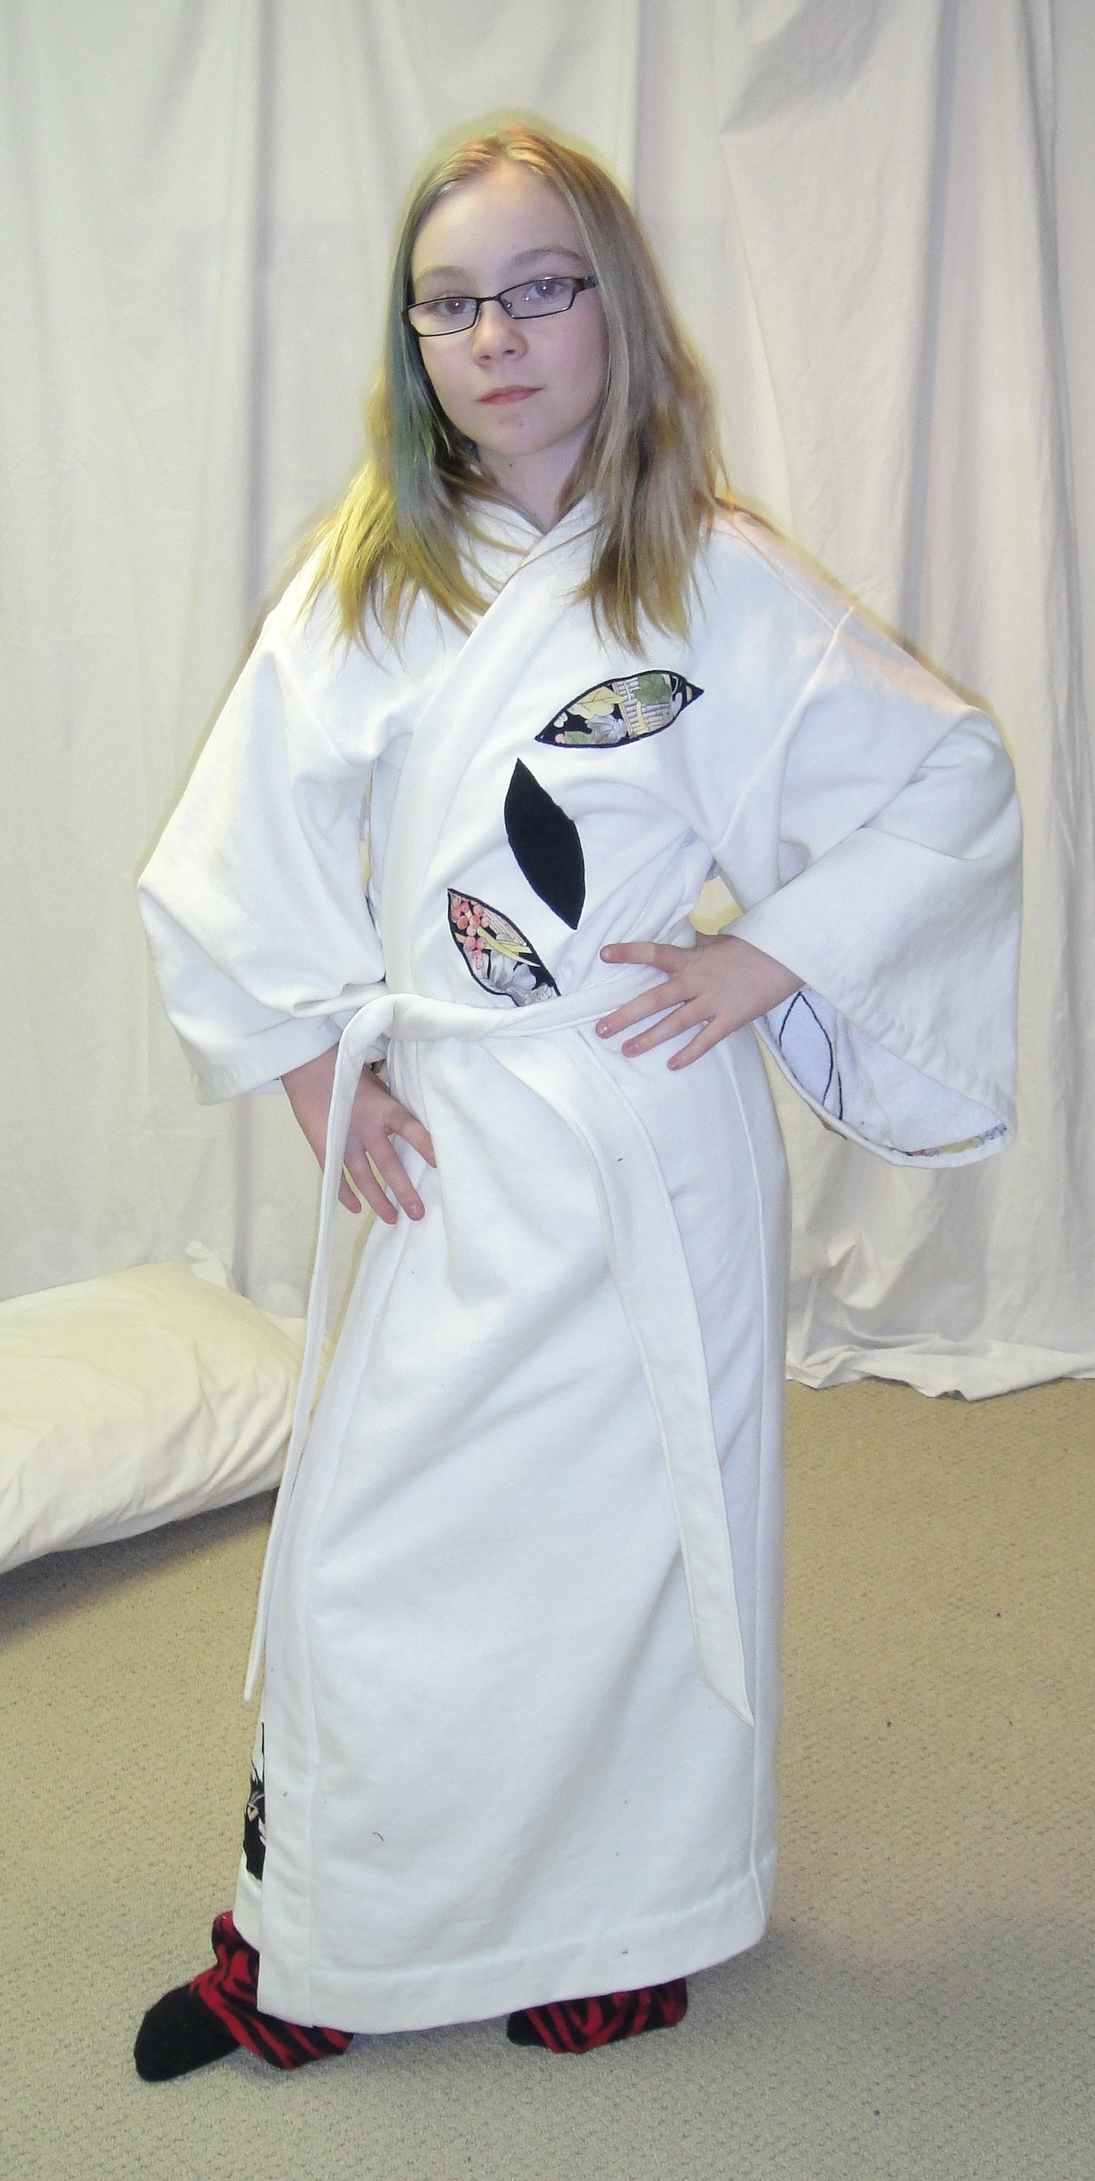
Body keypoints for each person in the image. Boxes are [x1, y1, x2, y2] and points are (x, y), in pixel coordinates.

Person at [134, 123, 1021, 2077]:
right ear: (413, 337)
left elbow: (945, 777)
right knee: (374, 1544)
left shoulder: (712, 577)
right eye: (450, 301)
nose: (496, 336)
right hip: (453, 1137)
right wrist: (321, 1085)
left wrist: (762, 955)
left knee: (627, 1547)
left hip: (644, 1141)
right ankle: (315, 1936)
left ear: (613, 305)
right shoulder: (369, 578)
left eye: (538, 288)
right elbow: (227, 862)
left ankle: (614, 1920)